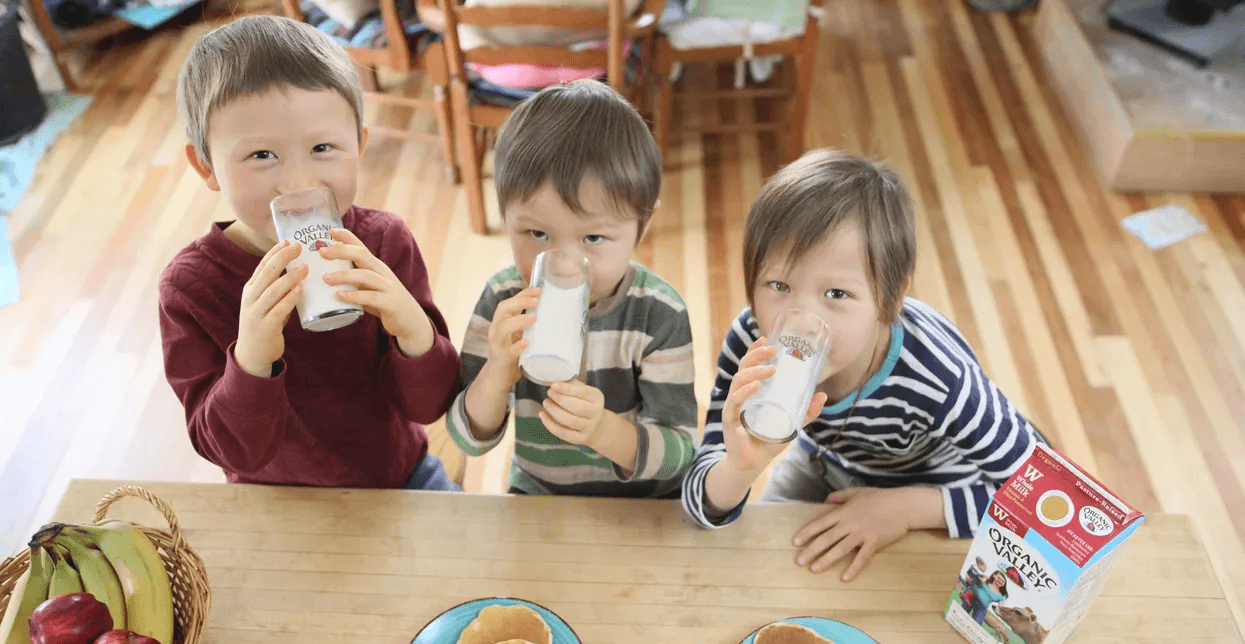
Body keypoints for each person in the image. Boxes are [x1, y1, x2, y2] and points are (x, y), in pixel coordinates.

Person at [683, 149, 1044, 580]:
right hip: (825, 462)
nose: (799, 322)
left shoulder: (938, 377)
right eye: (778, 285)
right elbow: (700, 503)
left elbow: (1046, 496)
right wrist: (739, 470)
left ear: (890, 299)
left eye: (835, 294)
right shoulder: (752, 342)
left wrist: (906, 509)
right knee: (756, 568)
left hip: (937, 487)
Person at [160, 16, 460, 488]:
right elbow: (231, 450)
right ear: (206, 165)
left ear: (359, 146)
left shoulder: (383, 244)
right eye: (261, 156)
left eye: (323, 148)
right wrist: (253, 360)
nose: (299, 184)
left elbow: (429, 405)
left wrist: (412, 330)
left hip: (400, 478)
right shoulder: (190, 289)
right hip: (273, 501)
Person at [446, 79, 697, 497]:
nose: (562, 263)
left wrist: (604, 431)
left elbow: (681, 450)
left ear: (643, 226)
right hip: (540, 491)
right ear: (505, 217)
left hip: (643, 504)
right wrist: (497, 371)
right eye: (536, 234)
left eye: (593, 239)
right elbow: (469, 437)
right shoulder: (505, 300)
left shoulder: (658, 313)